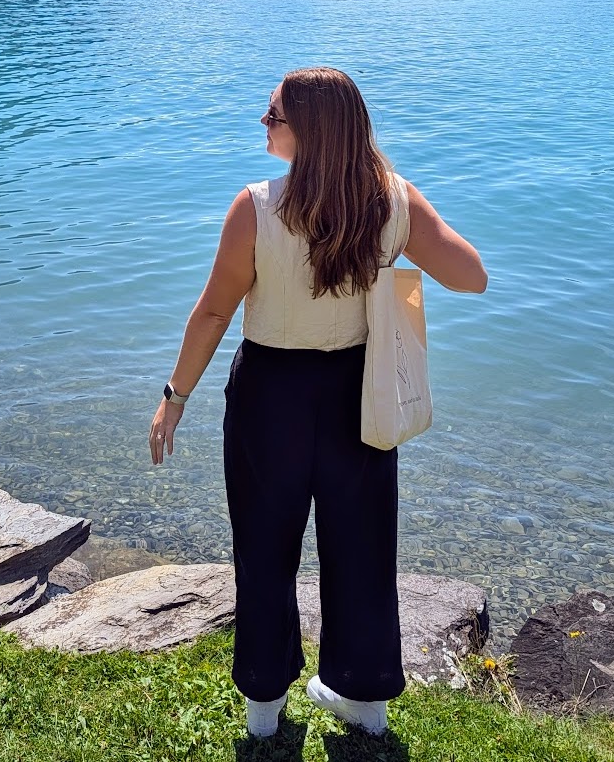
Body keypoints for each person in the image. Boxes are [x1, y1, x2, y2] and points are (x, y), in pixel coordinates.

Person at [148, 67, 487, 740]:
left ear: (310, 129)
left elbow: (214, 311)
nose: (263, 122)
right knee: (363, 546)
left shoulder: (255, 205)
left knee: (264, 547)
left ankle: (264, 711)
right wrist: (398, 221)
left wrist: (174, 396)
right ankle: (364, 704)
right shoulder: (392, 200)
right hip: (359, 393)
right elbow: (471, 277)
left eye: (272, 114)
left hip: (269, 394)